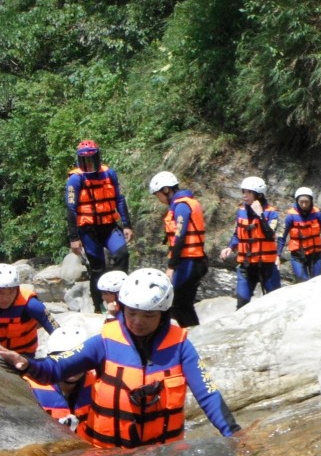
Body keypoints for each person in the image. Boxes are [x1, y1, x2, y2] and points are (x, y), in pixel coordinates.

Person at [0, 268, 241, 449]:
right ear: (122, 308)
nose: (138, 322)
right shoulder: (104, 342)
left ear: (163, 314)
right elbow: (55, 369)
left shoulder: (181, 347)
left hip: (161, 455)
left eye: (148, 315)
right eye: (131, 313)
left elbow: (208, 395)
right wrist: (25, 363)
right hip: (105, 454)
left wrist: (234, 435)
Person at [65, 139, 133, 314]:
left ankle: (121, 296)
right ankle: (99, 306)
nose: (88, 164)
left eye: (91, 159)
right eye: (84, 160)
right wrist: (74, 238)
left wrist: (127, 225)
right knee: (98, 268)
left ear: (97, 157)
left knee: (122, 254)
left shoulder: (109, 174)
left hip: (109, 226)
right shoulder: (75, 179)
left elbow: (119, 199)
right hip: (89, 231)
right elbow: (71, 209)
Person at [149, 171, 208, 327]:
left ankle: (191, 333)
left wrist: (171, 266)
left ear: (166, 190)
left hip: (190, 262)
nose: (159, 199)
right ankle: (193, 331)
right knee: (183, 304)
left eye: (158, 195)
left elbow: (180, 237)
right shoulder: (181, 204)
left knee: (177, 303)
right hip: (190, 260)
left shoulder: (182, 206)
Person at [218, 177, 282, 308]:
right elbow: (237, 234)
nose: (245, 195)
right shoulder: (241, 212)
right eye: (243, 191)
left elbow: (269, 234)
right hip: (246, 266)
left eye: (249, 192)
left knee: (275, 304)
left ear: (259, 195)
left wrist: (261, 215)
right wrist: (230, 247)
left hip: (267, 265)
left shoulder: (272, 213)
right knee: (241, 305)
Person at [21, 324, 94, 430]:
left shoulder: (98, 385)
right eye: (64, 360)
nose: (73, 366)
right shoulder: (29, 388)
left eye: (79, 361)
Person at [278, 187, 321, 281]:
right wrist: (277, 255)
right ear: (297, 201)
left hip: (315, 256)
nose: (304, 205)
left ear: (311, 201)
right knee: (303, 280)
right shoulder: (291, 216)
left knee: (316, 281)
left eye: (306, 202)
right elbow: (282, 237)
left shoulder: (317, 214)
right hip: (297, 256)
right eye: (301, 202)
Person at [0, 263, 58, 363]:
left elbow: (58, 332)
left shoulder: (32, 305)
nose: (6, 298)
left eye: (11, 291)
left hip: (25, 359)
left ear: (17, 289)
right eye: (0, 292)